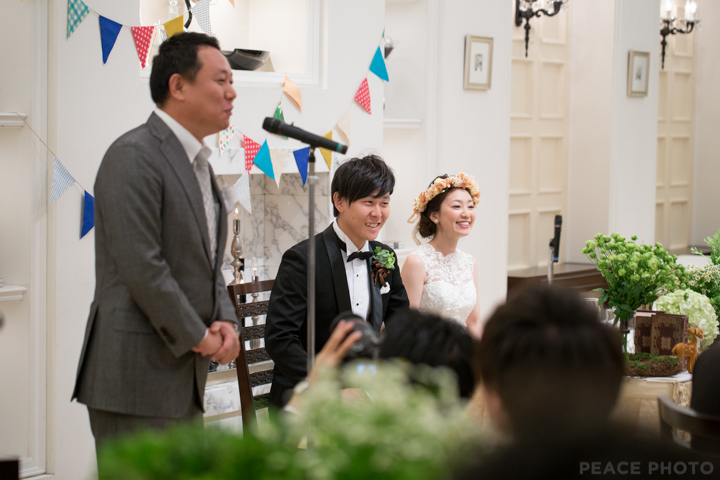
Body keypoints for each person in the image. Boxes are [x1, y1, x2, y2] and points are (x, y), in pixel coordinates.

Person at [72, 32, 240, 451]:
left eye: (232, 81)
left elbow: (208, 263)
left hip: (185, 379)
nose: (232, 93)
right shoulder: (133, 154)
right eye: (220, 80)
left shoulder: (199, 163)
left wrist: (226, 320)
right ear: (178, 85)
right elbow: (143, 267)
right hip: (135, 380)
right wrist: (200, 337)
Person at [265, 154, 410, 408]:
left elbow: (402, 327)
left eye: (384, 202)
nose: (378, 213)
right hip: (308, 397)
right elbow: (280, 338)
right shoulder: (303, 259)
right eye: (368, 202)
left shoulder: (384, 257)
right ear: (339, 201)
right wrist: (329, 389)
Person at [402, 173, 482, 336]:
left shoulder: (469, 262)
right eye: (457, 206)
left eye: (470, 206)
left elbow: (474, 322)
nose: (466, 214)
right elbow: (407, 325)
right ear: (434, 216)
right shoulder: (417, 262)